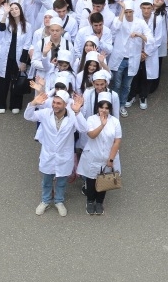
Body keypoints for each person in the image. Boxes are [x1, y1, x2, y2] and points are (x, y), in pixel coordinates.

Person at [24, 84, 87, 217]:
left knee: (61, 182)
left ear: (65, 105)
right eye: (54, 102)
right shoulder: (45, 113)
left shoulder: (72, 116)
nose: (55, 105)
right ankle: (45, 201)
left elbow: (83, 129)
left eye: (58, 103)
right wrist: (33, 103)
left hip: (64, 156)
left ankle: (59, 201)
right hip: (48, 155)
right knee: (47, 182)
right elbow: (28, 116)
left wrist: (77, 112)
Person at [77, 94, 121, 215]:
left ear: (110, 109)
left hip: (108, 157)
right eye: (102, 107)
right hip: (93, 156)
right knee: (91, 181)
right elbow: (91, 135)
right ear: (98, 107)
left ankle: (99, 202)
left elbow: (117, 141)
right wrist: (102, 125)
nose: (104, 110)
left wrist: (111, 159)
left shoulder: (115, 122)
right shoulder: (91, 119)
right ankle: (90, 201)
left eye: (107, 108)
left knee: (104, 180)